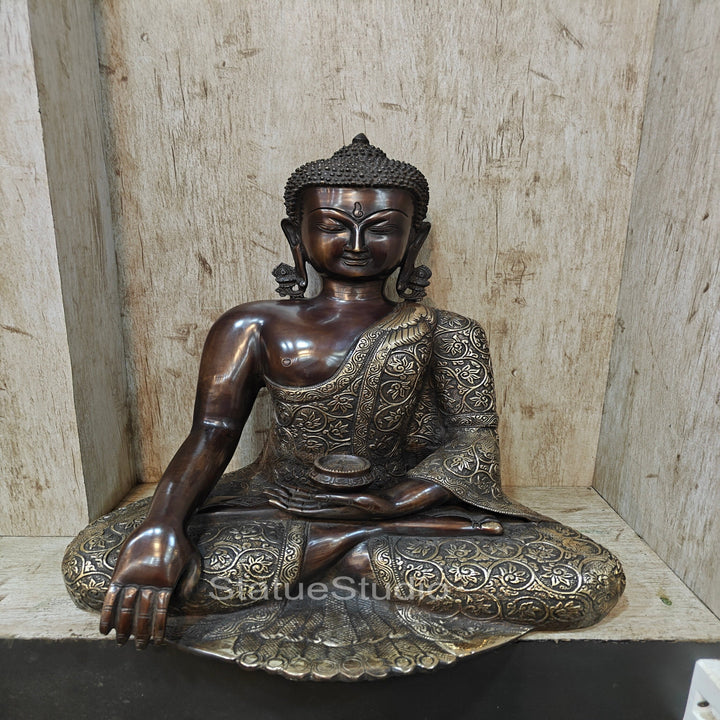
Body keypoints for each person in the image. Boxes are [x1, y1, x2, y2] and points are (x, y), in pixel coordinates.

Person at [63, 135, 624, 680]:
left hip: (402, 514)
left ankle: (333, 554)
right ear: (297, 234)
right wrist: (164, 525)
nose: (356, 241)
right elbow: (212, 432)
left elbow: (475, 444)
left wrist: (391, 502)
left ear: (414, 237)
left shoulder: (448, 332)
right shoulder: (252, 325)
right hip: (277, 504)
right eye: (333, 225)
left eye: (381, 227)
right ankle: (354, 556)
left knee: (587, 579)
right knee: (95, 565)